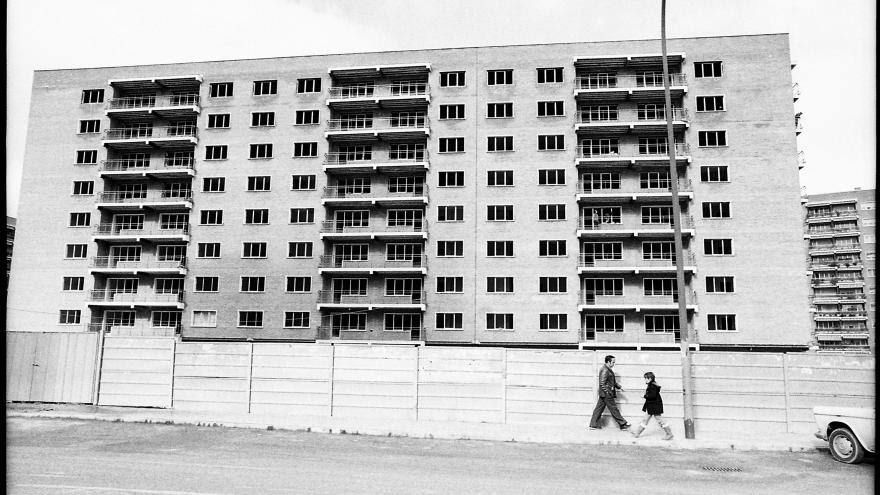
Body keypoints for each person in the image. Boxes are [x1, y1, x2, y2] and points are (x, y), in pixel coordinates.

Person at [589, 355, 630, 430]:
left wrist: (619, 387)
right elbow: (602, 383)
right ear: (608, 362)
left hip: (604, 393)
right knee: (614, 409)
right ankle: (622, 424)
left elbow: (612, 382)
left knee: (598, 409)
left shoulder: (607, 369)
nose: (614, 364)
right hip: (607, 393)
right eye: (613, 362)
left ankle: (593, 425)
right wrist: (608, 392)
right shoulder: (605, 370)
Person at [631, 371, 674, 440]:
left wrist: (644, 396)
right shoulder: (652, 385)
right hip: (652, 406)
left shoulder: (652, 386)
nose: (645, 380)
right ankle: (637, 433)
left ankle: (669, 434)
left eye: (646, 378)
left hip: (654, 407)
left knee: (660, 420)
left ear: (650, 379)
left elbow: (652, 396)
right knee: (646, 419)